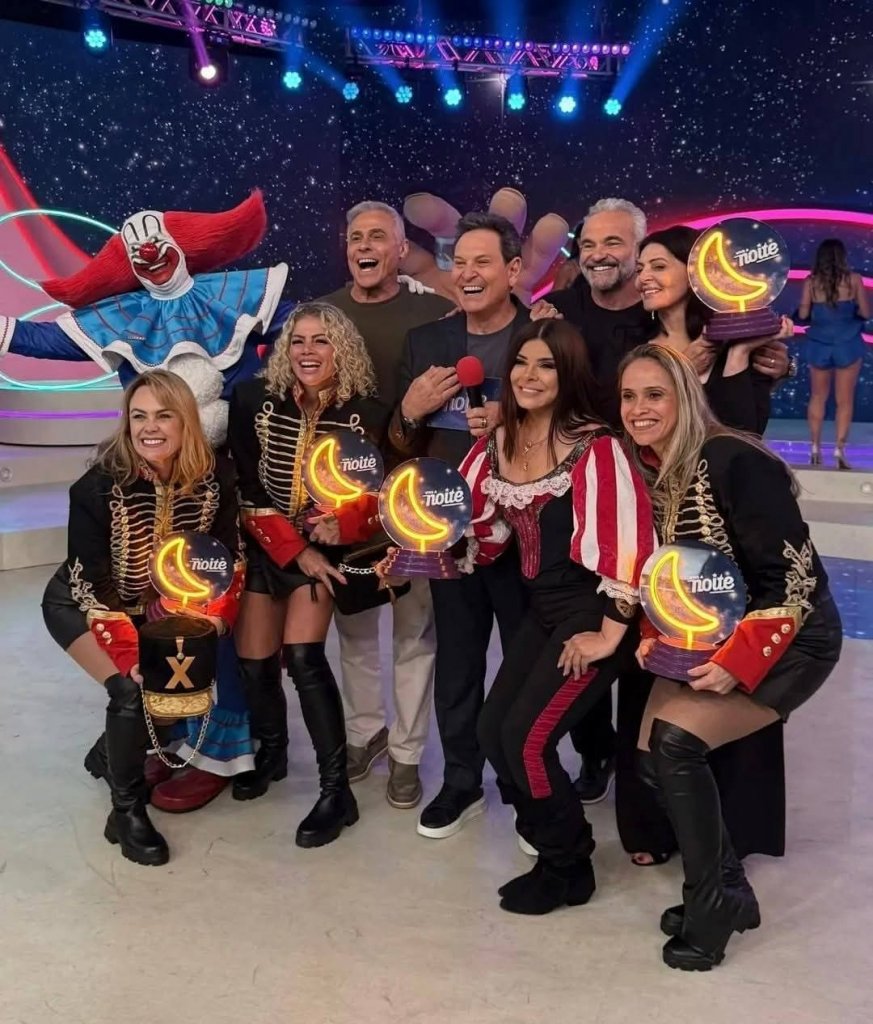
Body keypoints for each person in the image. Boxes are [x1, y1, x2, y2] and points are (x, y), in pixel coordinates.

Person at [620, 344, 842, 970]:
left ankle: (710, 902)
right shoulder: (658, 466)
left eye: (654, 394)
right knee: (648, 760)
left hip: (796, 639)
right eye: (629, 396)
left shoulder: (734, 458)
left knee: (674, 746)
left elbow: (794, 580)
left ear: (686, 397)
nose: (638, 408)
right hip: (715, 634)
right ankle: (729, 890)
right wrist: (658, 631)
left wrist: (740, 661)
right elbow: (677, 573)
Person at [459, 320, 655, 913]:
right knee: (493, 732)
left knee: (527, 741)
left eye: (546, 365)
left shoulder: (595, 447)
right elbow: (485, 531)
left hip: (594, 612)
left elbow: (628, 544)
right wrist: (425, 542)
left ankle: (569, 863)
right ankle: (551, 845)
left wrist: (608, 635)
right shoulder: (500, 443)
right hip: (543, 612)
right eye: (522, 362)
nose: (530, 375)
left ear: (568, 374)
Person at [41, 371, 244, 866]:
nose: (149, 428)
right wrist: (132, 651)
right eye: (139, 416)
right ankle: (126, 814)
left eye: (163, 416)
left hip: (164, 610)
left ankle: (108, 753)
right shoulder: (94, 488)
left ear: (185, 421)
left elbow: (227, 559)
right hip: (81, 604)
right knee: (132, 690)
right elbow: (93, 587)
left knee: (172, 695)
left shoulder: (217, 476)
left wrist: (215, 620)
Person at [228, 302, 390, 848]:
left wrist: (342, 526)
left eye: (321, 340)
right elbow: (247, 487)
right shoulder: (251, 399)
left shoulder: (368, 412)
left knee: (303, 658)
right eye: (298, 340)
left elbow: (376, 501)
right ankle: (273, 753)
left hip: (323, 553)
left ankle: (335, 791)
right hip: (268, 544)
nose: (307, 351)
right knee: (254, 664)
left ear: (342, 349)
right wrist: (295, 550)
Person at [391, 211, 530, 839]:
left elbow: (580, 429)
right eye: (459, 262)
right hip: (451, 536)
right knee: (457, 662)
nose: (467, 274)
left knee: (526, 664)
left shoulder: (544, 338)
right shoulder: (427, 342)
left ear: (514, 270)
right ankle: (462, 782)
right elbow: (400, 443)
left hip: (528, 536)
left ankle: (528, 789)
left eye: (483, 262)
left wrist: (515, 421)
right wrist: (409, 409)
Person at [317, 201, 454, 810]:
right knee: (354, 627)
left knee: (414, 632)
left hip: (414, 498)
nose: (365, 246)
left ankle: (407, 753)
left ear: (402, 249)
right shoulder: (322, 315)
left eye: (379, 236)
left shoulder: (433, 313)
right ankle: (364, 732)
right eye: (356, 237)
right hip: (344, 500)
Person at [799, 239, 870, 470]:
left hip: (819, 343)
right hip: (847, 343)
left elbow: (803, 314)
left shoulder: (810, 282)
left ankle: (815, 448)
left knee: (817, 396)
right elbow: (866, 312)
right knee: (844, 400)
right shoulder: (854, 280)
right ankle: (839, 449)